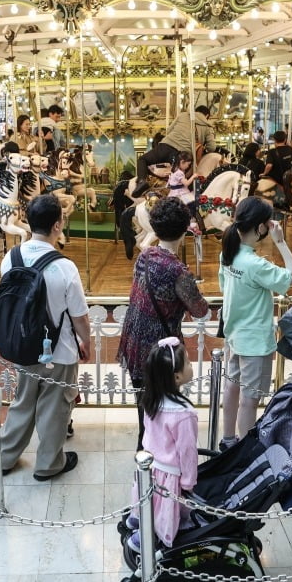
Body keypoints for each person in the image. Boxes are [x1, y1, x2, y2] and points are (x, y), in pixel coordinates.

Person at [0, 195, 92, 480]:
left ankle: (5, 456)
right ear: (57, 225)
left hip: (22, 345)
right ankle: (48, 463)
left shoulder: (10, 258)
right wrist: (84, 342)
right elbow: (78, 315)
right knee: (55, 406)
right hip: (58, 349)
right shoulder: (64, 267)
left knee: (22, 400)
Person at [116, 198, 208, 445]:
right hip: (160, 349)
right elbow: (199, 309)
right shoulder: (179, 272)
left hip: (135, 342)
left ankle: (143, 449)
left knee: (144, 405)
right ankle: (157, 453)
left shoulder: (144, 257)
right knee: (162, 406)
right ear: (185, 228)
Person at [218, 197, 292, 448]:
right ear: (260, 227)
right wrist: (281, 242)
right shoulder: (255, 264)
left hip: (234, 334)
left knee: (232, 389)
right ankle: (245, 453)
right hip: (254, 341)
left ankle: (228, 439)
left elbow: (225, 287)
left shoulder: (229, 253)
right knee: (249, 399)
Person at [127, 337, 199, 550]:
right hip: (170, 475)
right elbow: (187, 452)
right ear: (177, 377)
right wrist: (188, 482)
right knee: (164, 515)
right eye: (187, 362)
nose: (191, 364)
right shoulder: (184, 413)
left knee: (150, 504)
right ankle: (145, 539)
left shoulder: (151, 399)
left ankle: (137, 519)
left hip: (150, 468)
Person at [133, 106, 214, 196]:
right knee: (185, 179)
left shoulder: (183, 115)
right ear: (207, 115)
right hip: (181, 154)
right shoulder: (207, 126)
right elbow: (212, 147)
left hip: (165, 146)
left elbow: (169, 130)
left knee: (142, 159)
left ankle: (141, 181)